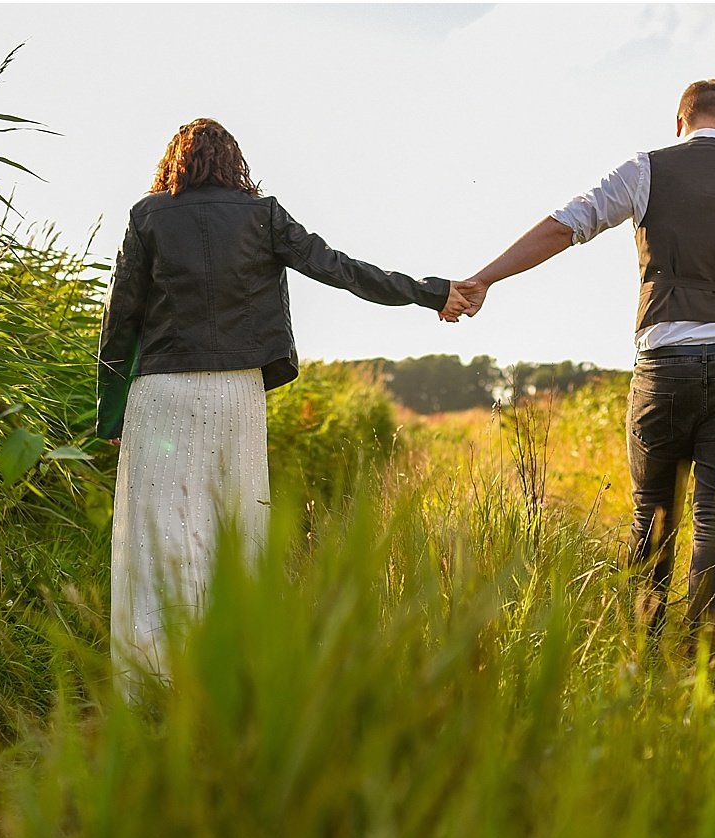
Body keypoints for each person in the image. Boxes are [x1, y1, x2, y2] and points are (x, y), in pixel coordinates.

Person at [96, 118, 474, 685]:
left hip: (162, 393)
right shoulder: (262, 215)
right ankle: (226, 669)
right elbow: (343, 271)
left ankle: (153, 678)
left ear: (175, 163)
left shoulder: (147, 215)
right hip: (234, 394)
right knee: (231, 527)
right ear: (234, 164)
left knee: (160, 531)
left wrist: (111, 412)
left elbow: (119, 317)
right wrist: (433, 293)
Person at [457, 79, 715, 650]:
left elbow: (566, 224)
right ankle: (703, 669)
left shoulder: (647, 169)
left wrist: (484, 278)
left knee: (654, 517)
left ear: (679, 124)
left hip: (666, 365)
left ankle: (644, 662)